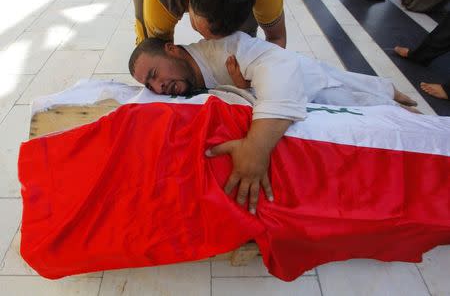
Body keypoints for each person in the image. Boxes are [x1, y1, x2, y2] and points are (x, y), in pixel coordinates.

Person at [128, 31, 419, 214]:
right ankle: (387, 92)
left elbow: (279, 69)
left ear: (172, 49)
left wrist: (256, 148)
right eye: (149, 85)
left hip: (311, 87)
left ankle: (391, 96)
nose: (158, 87)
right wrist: (244, 88)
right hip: (301, 94)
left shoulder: (227, 47)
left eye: (154, 74)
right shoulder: (187, 80)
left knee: (389, 114)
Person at [130, 0, 287, 48]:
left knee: (244, 42)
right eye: (200, 30)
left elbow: (276, 38)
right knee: (149, 44)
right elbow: (159, 56)